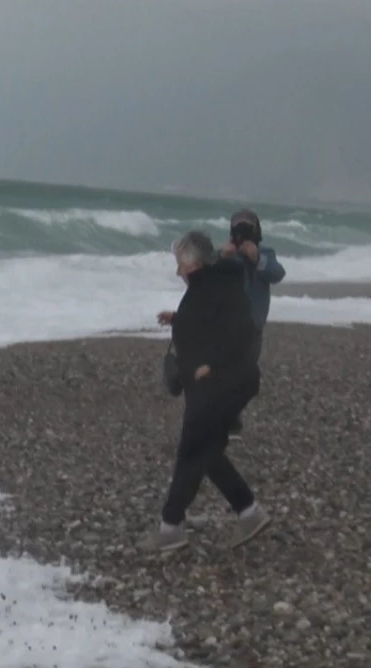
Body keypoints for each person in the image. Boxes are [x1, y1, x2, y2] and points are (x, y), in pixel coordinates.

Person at [143, 231, 271, 552]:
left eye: (180, 264)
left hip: (221, 385)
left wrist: (211, 365)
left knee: (192, 451)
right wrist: (178, 319)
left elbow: (244, 331)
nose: (178, 272)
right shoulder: (211, 283)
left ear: (195, 263)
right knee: (207, 452)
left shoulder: (216, 284)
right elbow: (211, 321)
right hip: (217, 386)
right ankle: (249, 512)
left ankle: (171, 527)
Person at [219, 209, 285, 437]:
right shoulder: (226, 254)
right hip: (227, 324)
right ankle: (223, 417)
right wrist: (222, 257)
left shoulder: (266, 253)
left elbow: (277, 274)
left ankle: (234, 412)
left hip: (254, 326)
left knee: (247, 374)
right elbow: (204, 276)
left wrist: (257, 259)